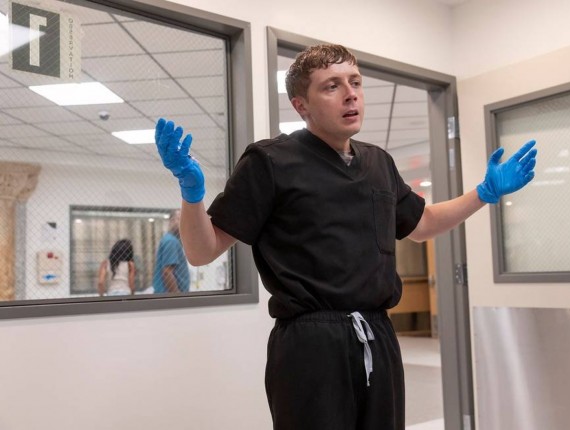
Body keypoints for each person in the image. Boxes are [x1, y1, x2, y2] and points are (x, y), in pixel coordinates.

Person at [154, 44, 537, 429]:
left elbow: (423, 224)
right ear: (301, 105)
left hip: (377, 336)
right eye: (332, 86)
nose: (351, 94)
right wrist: (192, 192)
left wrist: (483, 193)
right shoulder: (270, 162)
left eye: (355, 82)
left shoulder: (379, 163)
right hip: (310, 346)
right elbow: (202, 251)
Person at [152, 209, 190, 293]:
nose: (184, 223)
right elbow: (167, 272)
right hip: (169, 295)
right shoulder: (171, 241)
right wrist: (177, 296)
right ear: (172, 221)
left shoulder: (171, 240)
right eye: (180, 219)